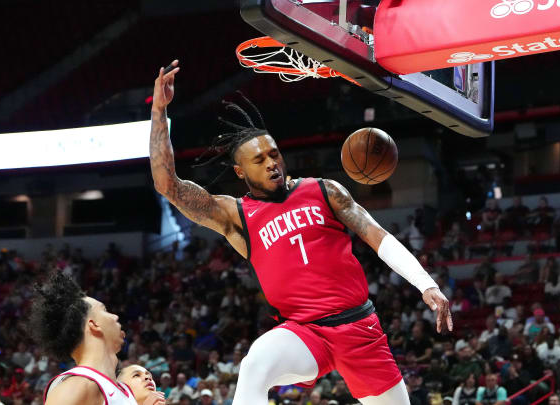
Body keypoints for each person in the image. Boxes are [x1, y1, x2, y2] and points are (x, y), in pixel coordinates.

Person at [148, 60, 450, 405]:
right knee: (255, 364)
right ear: (240, 172)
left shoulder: (324, 190)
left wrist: (425, 283)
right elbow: (167, 185)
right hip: (305, 333)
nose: (271, 163)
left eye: (274, 154)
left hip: (359, 328)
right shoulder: (235, 215)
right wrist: (159, 110)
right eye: (258, 160)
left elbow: (376, 234)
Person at [28, 272, 138, 405]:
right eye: (105, 310)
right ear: (93, 325)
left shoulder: (122, 389)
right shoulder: (78, 385)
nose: (115, 316)